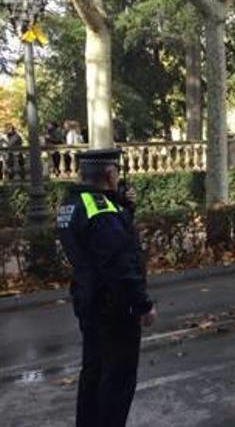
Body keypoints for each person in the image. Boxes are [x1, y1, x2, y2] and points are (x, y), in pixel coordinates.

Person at [56, 149, 156, 427]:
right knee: (118, 380)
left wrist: (123, 207)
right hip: (114, 306)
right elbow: (119, 265)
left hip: (88, 300)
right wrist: (143, 304)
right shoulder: (101, 211)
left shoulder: (72, 204)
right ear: (110, 174)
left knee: (94, 373)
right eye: (117, 172)